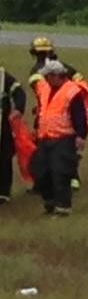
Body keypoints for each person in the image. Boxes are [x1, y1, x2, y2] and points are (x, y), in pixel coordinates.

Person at [28, 39, 88, 192]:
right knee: (67, 150)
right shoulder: (64, 67)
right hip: (66, 113)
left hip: (49, 116)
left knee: (47, 151)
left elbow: (41, 93)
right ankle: (72, 179)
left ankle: (45, 184)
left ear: (34, 53)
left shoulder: (37, 70)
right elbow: (80, 80)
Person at [31, 61, 88, 216]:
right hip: (45, 137)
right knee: (39, 170)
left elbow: (80, 116)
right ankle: (50, 201)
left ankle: (63, 207)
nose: (46, 79)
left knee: (60, 172)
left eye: (48, 76)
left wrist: (81, 136)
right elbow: (42, 111)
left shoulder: (72, 91)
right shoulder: (45, 89)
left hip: (64, 138)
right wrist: (36, 128)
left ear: (56, 76)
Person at [1, 66, 27, 205]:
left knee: (4, 156)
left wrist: (18, 109)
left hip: (2, 125)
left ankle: (3, 192)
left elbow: (19, 92)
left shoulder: (2, 75)